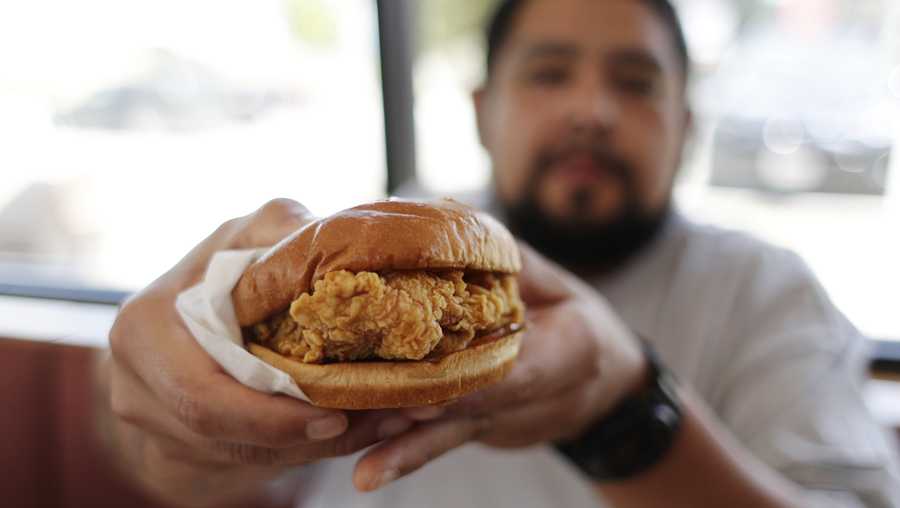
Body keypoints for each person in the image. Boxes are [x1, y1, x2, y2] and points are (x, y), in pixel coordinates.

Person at [99, 0, 900, 506]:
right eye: (549, 74)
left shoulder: (764, 291)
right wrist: (180, 419)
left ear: (686, 127)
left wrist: (624, 404)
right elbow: (171, 475)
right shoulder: (372, 241)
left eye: (635, 82)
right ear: (484, 112)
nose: (591, 110)